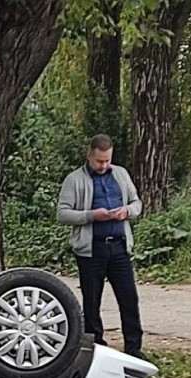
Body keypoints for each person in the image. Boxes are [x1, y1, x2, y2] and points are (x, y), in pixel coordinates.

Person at [56, 133, 145, 360]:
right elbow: (63, 214)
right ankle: (96, 348)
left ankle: (134, 349)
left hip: (119, 247)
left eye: (107, 160)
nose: (104, 165)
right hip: (91, 250)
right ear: (89, 156)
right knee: (92, 300)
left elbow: (137, 203)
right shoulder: (74, 180)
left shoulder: (121, 174)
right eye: (99, 161)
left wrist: (127, 211)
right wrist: (91, 215)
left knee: (129, 299)